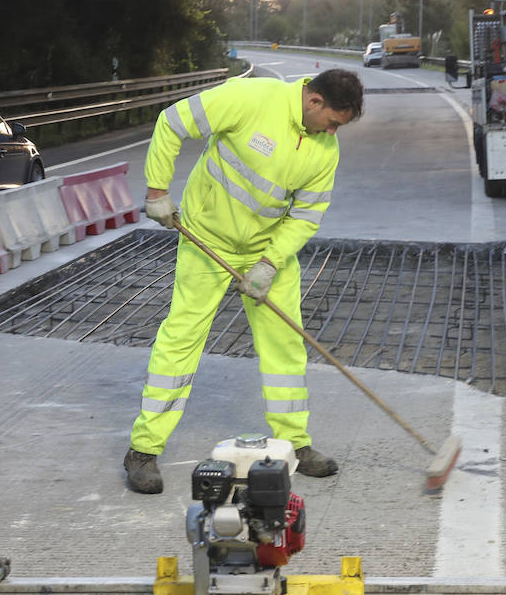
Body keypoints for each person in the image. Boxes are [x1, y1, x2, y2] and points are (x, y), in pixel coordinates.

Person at [123, 68, 365, 494]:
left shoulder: (325, 149)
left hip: (266, 251)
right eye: (332, 122)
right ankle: (143, 450)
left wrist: (270, 263)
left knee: (285, 346)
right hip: (206, 239)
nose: (333, 132)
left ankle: (296, 444)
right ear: (314, 102)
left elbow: (307, 214)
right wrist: (157, 191)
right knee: (181, 338)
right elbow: (172, 122)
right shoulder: (251, 98)